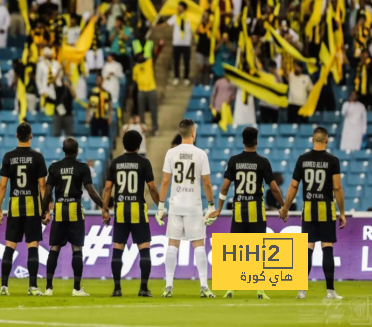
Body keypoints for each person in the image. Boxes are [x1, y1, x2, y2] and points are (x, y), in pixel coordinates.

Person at [209, 127, 285, 299]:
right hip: (256, 210)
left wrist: (219, 208)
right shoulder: (263, 162)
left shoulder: (234, 161)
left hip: (239, 210)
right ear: (256, 141)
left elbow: (225, 187)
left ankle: (230, 288)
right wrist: (283, 206)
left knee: (236, 250)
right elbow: (273, 187)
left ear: (242, 141)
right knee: (258, 250)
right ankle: (260, 290)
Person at [280, 127, 346, 300]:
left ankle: (301, 290)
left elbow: (294, 186)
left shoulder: (303, 159)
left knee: (308, 248)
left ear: (312, 140)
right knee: (327, 246)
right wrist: (342, 213)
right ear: (327, 140)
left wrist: (285, 208)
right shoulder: (333, 160)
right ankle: (330, 291)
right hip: (326, 209)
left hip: (308, 209)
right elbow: (337, 188)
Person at [157, 119, 215, 298]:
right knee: (198, 245)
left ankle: (168, 287)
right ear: (193, 133)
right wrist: (211, 205)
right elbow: (206, 182)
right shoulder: (200, 154)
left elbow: (166, 181)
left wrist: (160, 205)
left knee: (172, 244)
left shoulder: (171, 153)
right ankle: (204, 287)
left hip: (175, 204)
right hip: (193, 206)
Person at [41, 137, 104, 296]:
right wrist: (104, 205)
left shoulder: (54, 167)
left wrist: (44, 211)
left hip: (60, 210)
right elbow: (91, 191)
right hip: (75, 210)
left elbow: (48, 193)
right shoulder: (82, 168)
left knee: (54, 248)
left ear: (63, 150)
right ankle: (76, 288)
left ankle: (48, 288)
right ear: (77, 151)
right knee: (77, 249)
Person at [101, 130, 160, 297]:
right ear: (139, 144)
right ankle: (143, 288)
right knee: (144, 249)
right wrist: (160, 206)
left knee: (118, 248)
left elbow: (107, 188)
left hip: (120, 210)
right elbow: (152, 187)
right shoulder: (144, 162)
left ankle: (117, 288)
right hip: (137, 210)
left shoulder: (115, 162)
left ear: (123, 144)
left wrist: (105, 209)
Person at [0, 123, 49, 296]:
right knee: (32, 245)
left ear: (17, 136)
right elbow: (42, 186)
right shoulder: (38, 157)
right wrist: (46, 209)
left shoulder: (8, 156)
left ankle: (4, 286)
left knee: (10, 245)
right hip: (33, 207)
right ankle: (32, 287)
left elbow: (2, 186)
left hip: (15, 206)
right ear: (31, 136)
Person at [167, 2, 192, 86]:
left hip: (186, 43)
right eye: (178, 6)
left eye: (180, 7)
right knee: (176, 61)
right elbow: (168, 23)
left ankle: (186, 77)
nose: (179, 8)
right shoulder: (175, 17)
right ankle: (176, 77)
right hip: (176, 42)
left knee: (186, 61)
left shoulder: (189, 17)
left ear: (184, 8)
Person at [133, 54, 158, 136]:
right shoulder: (135, 68)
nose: (140, 57)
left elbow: (156, 54)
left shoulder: (149, 62)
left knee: (153, 110)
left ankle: (155, 128)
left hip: (151, 89)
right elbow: (135, 80)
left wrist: (160, 46)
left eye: (142, 56)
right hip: (141, 90)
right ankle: (143, 129)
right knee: (141, 111)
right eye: (139, 56)